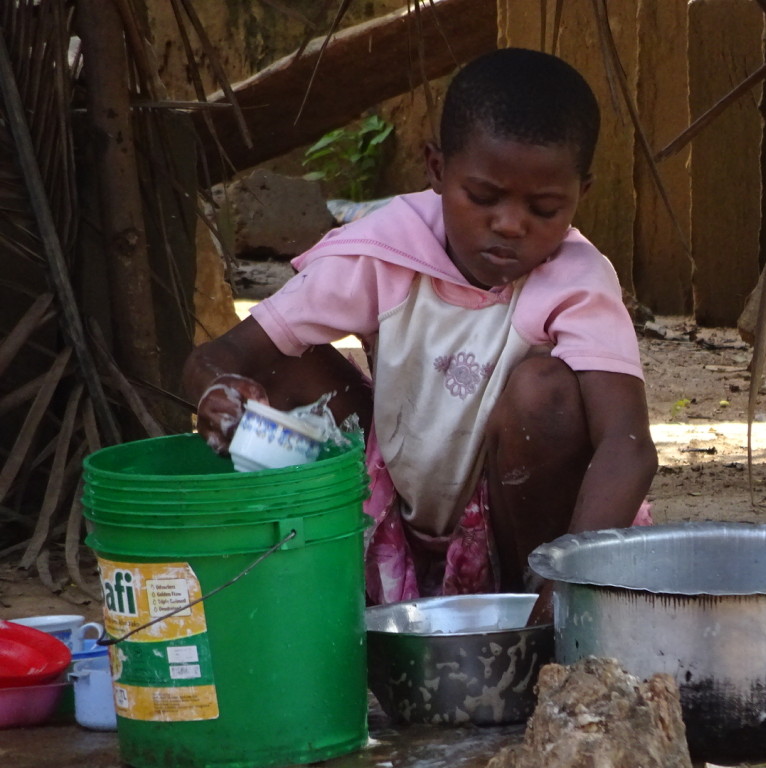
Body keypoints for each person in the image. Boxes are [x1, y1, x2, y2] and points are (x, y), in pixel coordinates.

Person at [183, 47, 658, 623]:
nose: (510, 224)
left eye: (545, 207)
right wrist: (218, 390)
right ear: (435, 169)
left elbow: (627, 445)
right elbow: (222, 356)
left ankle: (528, 609)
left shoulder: (576, 281)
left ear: (582, 192)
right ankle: (335, 579)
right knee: (286, 362)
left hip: (525, 540)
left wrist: (572, 586)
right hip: (393, 514)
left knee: (546, 391)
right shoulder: (386, 248)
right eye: (483, 197)